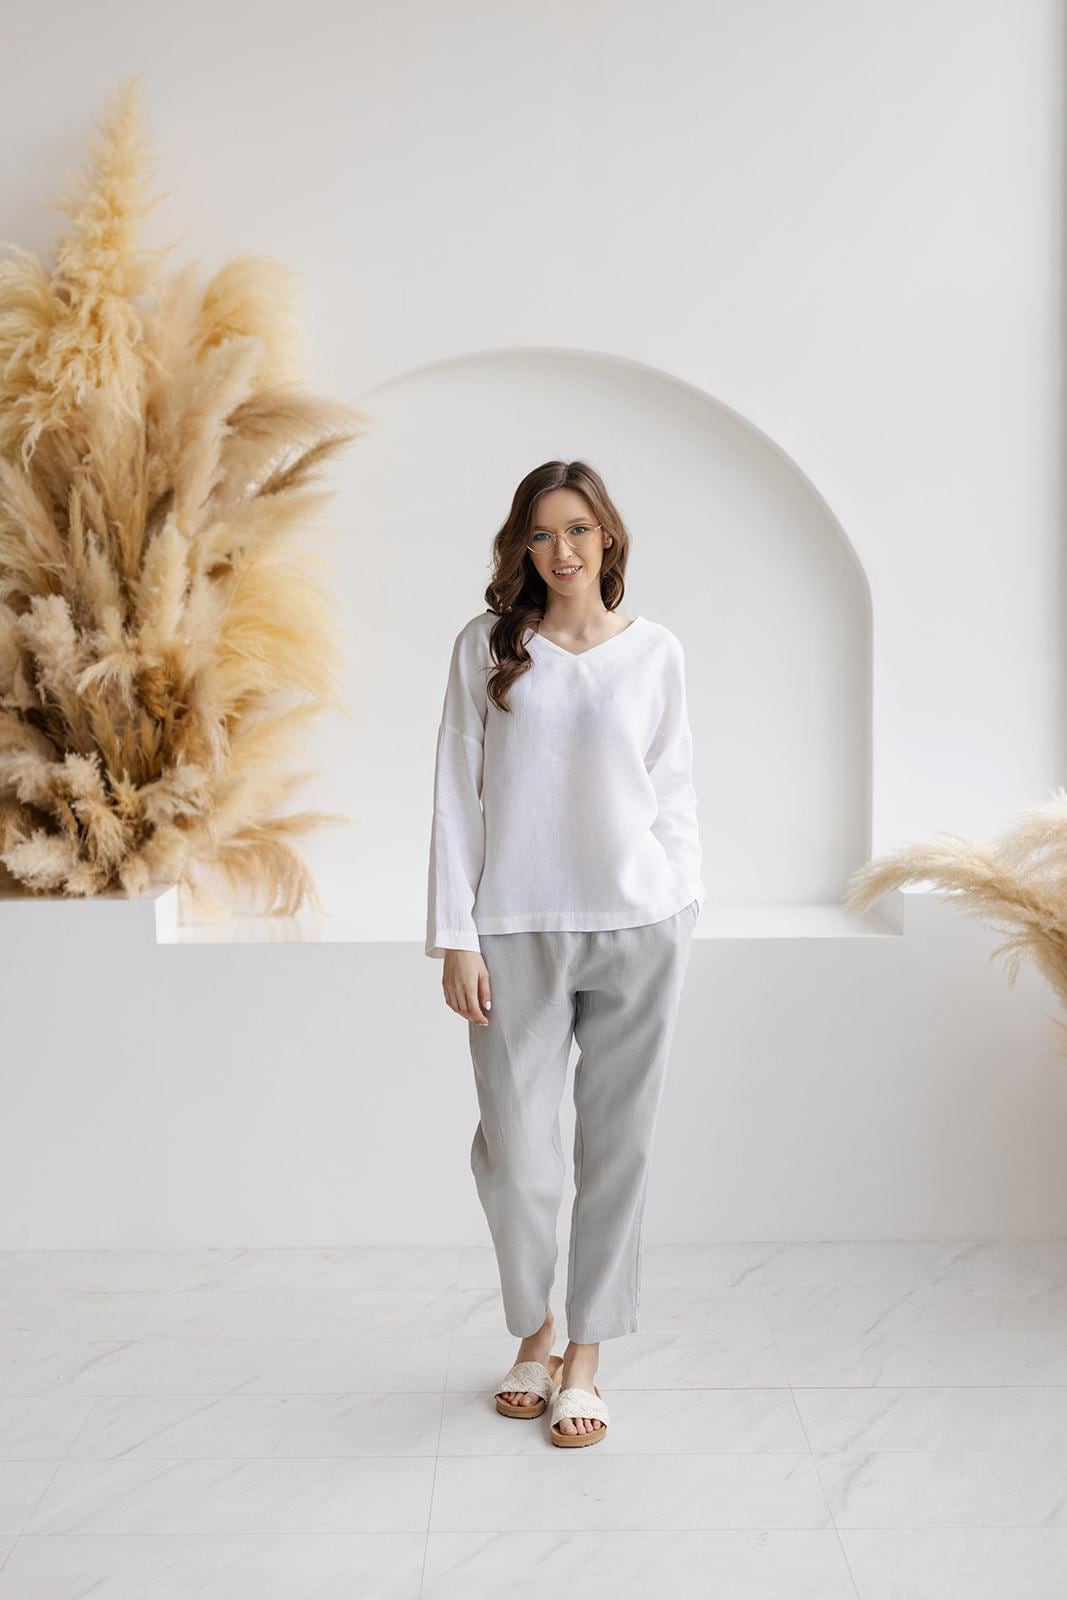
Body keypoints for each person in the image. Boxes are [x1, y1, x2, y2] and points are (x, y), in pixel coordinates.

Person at [426, 459, 704, 1447]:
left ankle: (583, 1355)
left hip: (636, 927)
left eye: (578, 529)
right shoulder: (485, 649)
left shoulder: (654, 651)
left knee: (616, 1148)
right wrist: (453, 934)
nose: (561, 551)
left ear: (608, 538)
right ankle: (533, 1330)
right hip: (512, 930)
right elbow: (455, 798)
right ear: (521, 547)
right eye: (541, 534)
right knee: (516, 1154)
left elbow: (673, 792)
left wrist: (680, 899)